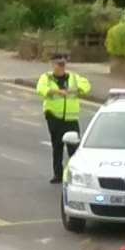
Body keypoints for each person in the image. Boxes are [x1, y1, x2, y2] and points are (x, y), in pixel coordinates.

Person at [36, 54, 91, 184]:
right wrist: (56, 92)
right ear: (52, 64)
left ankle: (76, 175)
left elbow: (87, 86)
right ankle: (58, 174)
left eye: (63, 64)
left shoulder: (73, 77)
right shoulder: (47, 78)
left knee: (74, 149)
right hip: (54, 117)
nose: (61, 67)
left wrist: (76, 88)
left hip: (71, 118)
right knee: (57, 146)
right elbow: (40, 89)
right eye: (58, 64)